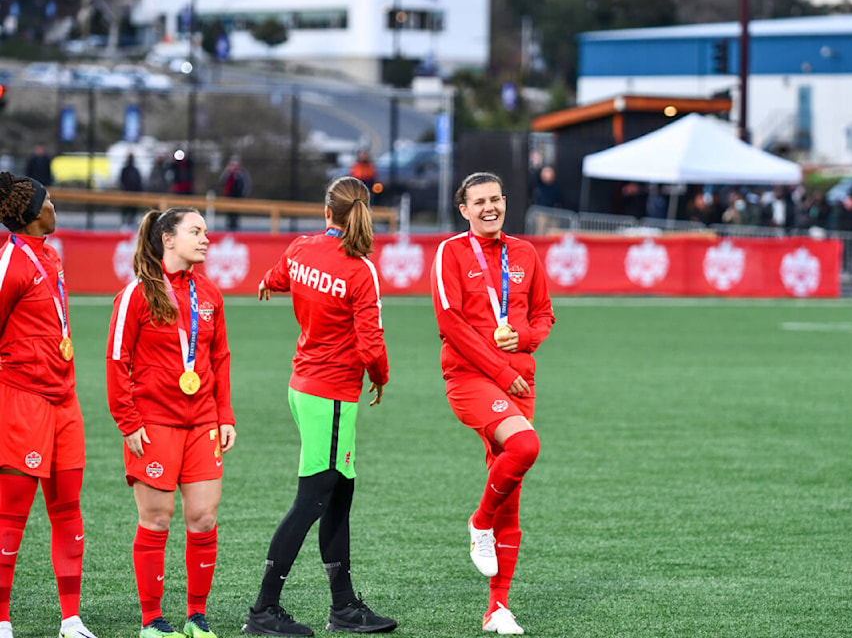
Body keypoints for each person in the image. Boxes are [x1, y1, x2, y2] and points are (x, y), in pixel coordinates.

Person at [242, 175, 396, 636]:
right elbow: (371, 345)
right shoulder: (360, 268)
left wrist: (270, 283)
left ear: (326, 211)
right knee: (312, 499)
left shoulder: (303, 247)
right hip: (329, 393)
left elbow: (279, 276)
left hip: (306, 386)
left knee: (339, 494)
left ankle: (344, 607)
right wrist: (381, 378)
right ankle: (263, 610)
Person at [430, 172, 555, 635]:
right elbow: (452, 325)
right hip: (471, 376)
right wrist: (502, 371)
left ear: (506, 202)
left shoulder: (525, 253)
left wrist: (521, 338)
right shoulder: (451, 252)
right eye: (478, 201)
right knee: (524, 448)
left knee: (512, 493)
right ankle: (478, 522)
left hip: (520, 380)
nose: (489, 208)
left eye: (496, 199)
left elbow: (544, 315)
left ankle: (497, 607)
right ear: (463, 210)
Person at [106, 208, 237, 638]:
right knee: (157, 520)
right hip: (154, 424)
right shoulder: (136, 295)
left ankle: (196, 617)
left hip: (203, 424)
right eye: (195, 231)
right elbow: (116, 361)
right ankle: (152, 621)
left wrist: (224, 415)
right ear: (167, 238)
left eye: (205, 231)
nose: (206, 239)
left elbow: (219, 358)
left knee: (203, 518)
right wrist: (128, 422)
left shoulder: (210, 294)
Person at [0, 172, 98, 638]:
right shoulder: (11, 263)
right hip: (23, 402)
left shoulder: (51, 256)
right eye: (50, 200)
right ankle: (1, 620)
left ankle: (71, 619)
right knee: (10, 518)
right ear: (33, 213)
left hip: (65, 401)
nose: (55, 206)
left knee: (68, 512)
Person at [219, 157, 251, 231]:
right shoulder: (227, 173)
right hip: (228, 197)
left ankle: (235, 229)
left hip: (237, 197)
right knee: (229, 215)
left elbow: (246, 184)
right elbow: (222, 181)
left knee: (236, 215)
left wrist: (243, 195)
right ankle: (229, 228)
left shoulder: (241, 173)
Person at [120, 153, 145, 228]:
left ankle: (131, 221)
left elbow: (138, 181)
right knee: (126, 207)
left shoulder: (135, 170)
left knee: (133, 208)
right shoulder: (125, 169)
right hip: (127, 192)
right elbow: (122, 180)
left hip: (134, 193)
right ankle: (125, 222)